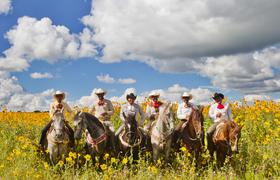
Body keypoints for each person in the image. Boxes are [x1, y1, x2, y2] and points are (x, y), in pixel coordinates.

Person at [207, 92, 233, 157]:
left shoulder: (227, 105)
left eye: (218, 98)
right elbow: (210, 115)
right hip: (217, 122)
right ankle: (211, 149)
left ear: (221, 98)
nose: (217, 99)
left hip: (226, 122)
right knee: (209, 132)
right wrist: (215, 115)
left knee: (234, 133)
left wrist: (232, 122)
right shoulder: (213, 106)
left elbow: (230, 115)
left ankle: (233, 148)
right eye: (215, 99)